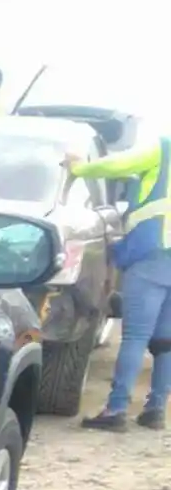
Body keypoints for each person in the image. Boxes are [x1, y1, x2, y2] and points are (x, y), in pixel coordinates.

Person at [72, 134, 171, 430]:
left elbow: (118, 163)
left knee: (136, 336)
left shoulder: (163, 147)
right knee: (166, 341)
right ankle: (155, 409)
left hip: (152, 253)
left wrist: (79, 168)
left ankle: (116, 410)